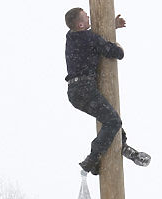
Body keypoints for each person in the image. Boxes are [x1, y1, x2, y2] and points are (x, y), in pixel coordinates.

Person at [64, 7, 151, 175]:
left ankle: (120, 146)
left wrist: (110, 26)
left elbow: (92, 36)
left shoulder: (72, 37)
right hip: (85, 89)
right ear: (81, 24)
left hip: (75, 92)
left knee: (109, 117)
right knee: (113, 121)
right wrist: (118, 46)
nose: (89, 16)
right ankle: (93, 158)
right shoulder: (88, 38)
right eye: (86, 16)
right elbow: (115, 53)